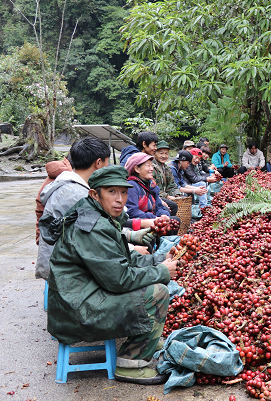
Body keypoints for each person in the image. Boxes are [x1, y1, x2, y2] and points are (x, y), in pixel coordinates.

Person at [42, 165, 178, 385]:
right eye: (111, 192)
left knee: (155, 280)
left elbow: (124, 259)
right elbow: (119, 280)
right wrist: (162, 271)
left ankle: (149, 339)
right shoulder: (92, 226)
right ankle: (130, 364)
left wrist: (159, 259)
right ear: (95, 194)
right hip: (77, 310)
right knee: (157, 292)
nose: (120, 199)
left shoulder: (98, 215)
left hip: (86, 294)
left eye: (123, 192)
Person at [36, 137, 111, 280]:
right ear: (99, 162)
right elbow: (95, 237)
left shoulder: (68, 184)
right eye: (107, 162)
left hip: (58, 261)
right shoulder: (78, 195)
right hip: (65, 270)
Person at [125, 153, 176, 231]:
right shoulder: (131, 186)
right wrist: (155, 218)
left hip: (153, 218)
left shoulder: (151, 185)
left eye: (152, 165)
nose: (152, 169)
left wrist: (163, 215)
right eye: (148, 165)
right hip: (140, 223)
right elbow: (132, 212)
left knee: (174, 220)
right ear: (137, 169)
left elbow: (159, 206)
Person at [35, 156, 72, 244]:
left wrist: (39, 236)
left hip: (47, 234)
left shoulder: (55, 174)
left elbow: (40, 207)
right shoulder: (70, 179)